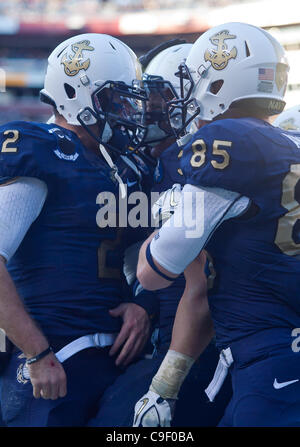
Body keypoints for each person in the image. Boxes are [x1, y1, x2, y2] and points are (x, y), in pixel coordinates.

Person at [134, 22, 300, 427]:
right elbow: (201, 292)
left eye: (192, 81)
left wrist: (166, 216)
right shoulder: (289, 141)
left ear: (216, 84)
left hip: (271, 358)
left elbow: (156, 270)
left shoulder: (226, 141)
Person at [0, 32, 158, 427]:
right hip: (52, 357)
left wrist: (144, 305)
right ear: (77, 94)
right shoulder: (41, 150)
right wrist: (37, 353)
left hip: (113, 357)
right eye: (115, 98)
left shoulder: (125, 169)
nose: (127, 109)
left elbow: (155, 255)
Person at [88, 40, 231, 427]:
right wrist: (145, 303)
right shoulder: (156, 161)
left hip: (204, 344)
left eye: (158, 100)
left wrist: (165, 382)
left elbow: (198, 278)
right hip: (174, 332)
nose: (145, 110)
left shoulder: (202, 160)